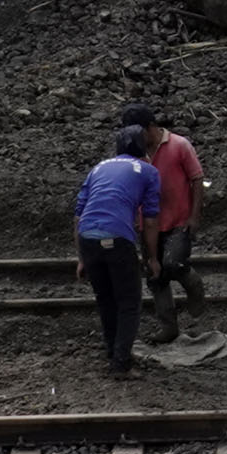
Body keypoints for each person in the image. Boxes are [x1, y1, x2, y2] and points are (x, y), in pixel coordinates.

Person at [73, 125, 160, 378]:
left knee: (106, 299)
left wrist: (82, 258)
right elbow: (151, 221)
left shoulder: (98, 168)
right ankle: (121, 365)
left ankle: (113, 353)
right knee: (129, 302)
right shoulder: (148, 171)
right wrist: (152, 258)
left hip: (88, 237)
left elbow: (78, 215)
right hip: (118, 237)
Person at [122, 102, 206, 345]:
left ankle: (194, 284)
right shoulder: (135, 152)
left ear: (151, 127)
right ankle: (168, 326)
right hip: (149, 222)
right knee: (154, 275)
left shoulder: (179, 145)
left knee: (173, 263)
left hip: (179, 219)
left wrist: (194, 216)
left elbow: (197, 180)